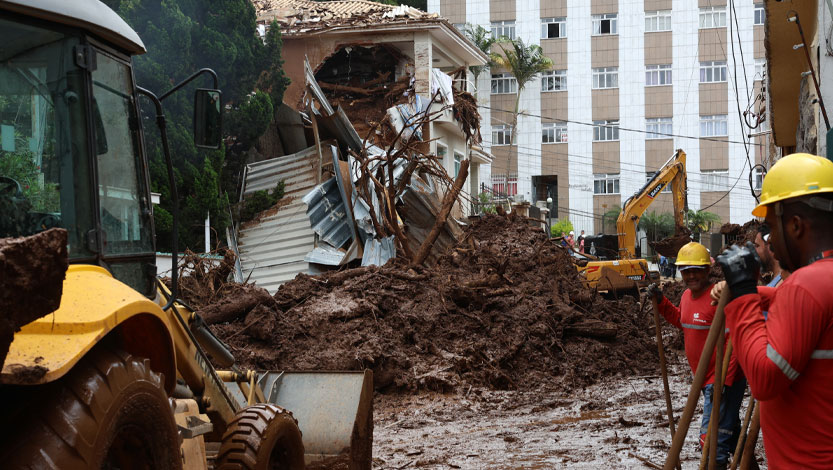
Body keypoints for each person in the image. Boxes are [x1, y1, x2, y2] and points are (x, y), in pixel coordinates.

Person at [713, 153, 833, 468]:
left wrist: (741, 293)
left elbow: (766, 378)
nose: (772, 242)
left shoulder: (805, 285)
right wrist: (760, 295)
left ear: (795, 225)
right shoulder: (821, 282)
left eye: (771, 230)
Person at [649, 242, 746, 469]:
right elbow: (682, 321)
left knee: (711, 441)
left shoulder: (719, 297)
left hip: (722, 380)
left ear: (707, 270)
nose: (691, 275)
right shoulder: (685, 296)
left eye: (696, 270)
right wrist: (662, 302)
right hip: (704, 380)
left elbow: (736, 342)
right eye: (686, 270)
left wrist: (725, 379)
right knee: (730, 434)